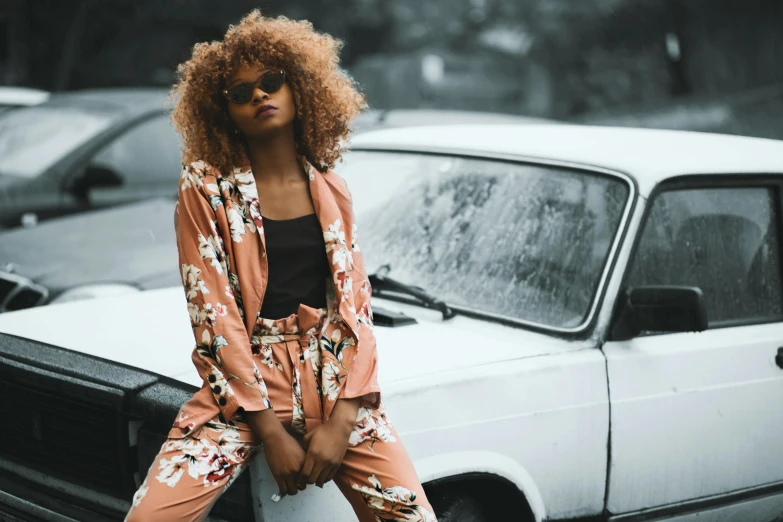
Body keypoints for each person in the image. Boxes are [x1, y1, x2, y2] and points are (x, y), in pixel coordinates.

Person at [124, 9, 437, 522]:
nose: (259, 96)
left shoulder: (332, 188)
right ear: (222, 111)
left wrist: (342, 422)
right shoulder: (206, 189)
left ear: (300, 87)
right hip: (246, 391)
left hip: (337, 386)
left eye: (271, 82)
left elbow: (356, 309)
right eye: (240, 92)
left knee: (413, 518)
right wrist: (269, 430)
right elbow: (214, 316)